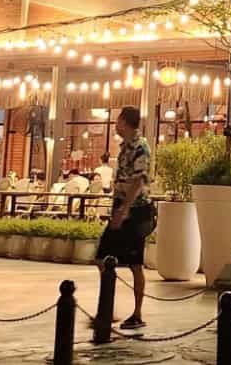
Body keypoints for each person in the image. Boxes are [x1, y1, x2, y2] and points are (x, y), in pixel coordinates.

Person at [94, 106, 154, 331]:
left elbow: (139, 181)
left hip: (136, 211)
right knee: (102, 257)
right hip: (121, 208)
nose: (115, 125)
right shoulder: (124, 147)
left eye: (118, 120)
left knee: (135, 264)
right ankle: (107, 307)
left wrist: (125, 209)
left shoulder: (140, 146)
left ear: (125, 122)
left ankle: (137, 313)